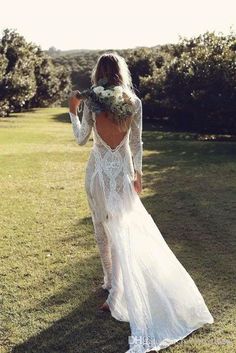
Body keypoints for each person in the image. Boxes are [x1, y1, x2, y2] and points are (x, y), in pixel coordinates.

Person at [68, 52, 214, 353]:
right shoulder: (133, 103)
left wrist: (73, 111)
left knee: (101, 228)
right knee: (121, 229)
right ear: (121, 73)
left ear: (98, 74)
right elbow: (136, 143)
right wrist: (138, 174)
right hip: (121, 174)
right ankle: (115, 289)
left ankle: (110, 283)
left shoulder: (92, 101)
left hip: (97, 172)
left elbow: (82, 138)